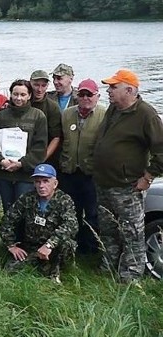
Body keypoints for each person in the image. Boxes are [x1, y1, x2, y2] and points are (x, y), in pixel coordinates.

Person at [93, 69, 163, 283]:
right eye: (109, 87)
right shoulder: (113, 109)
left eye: (114, 87)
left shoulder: (146, 114)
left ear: (130, 90)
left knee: (132, 233)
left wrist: (148, 177)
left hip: (127, 187)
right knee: (108, 230)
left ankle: (130, 276)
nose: (109, 91)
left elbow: (161, 151)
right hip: (104, 183)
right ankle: (108, 266)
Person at [0, 164, 78, 283]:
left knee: (68, 244)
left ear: (55, 183)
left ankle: (56, 269)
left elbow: (72, 225)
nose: (41, 186)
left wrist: (49, 245)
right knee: (9, 271)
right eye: (38, 182)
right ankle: (44, 266)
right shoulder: (27, 198)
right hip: (31, 246)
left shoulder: (64, 200)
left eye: (46, 181)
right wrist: (11, 245)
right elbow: (7, 220)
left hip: (54, 248)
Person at [0, 79, 48, 212]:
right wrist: (1, 161)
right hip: (3, 173)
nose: (18, 98)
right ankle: (8, 233)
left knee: (24, 210)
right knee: (8, 209)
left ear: (29, 95)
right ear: (11, 95)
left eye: (23, 95)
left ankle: (24, 234)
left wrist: (21, 164)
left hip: (25, 175)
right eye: (15, 94)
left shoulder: (38, 116)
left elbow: (40, 147)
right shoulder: (2, 116)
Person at [59, 79, 105, 254]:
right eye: (82, 94)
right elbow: (61, 140)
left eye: (89, 95)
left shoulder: (105, 114)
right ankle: (74, 247)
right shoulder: (67, 114)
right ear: (77, 95)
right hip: (69, 173)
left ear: (97, 96)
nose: (85, 98)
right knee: (72, 212)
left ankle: (92, 248)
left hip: (91, 174)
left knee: (93, 213)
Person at [29, 70, 62, 164]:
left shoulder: (52, 107)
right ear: (30, 83)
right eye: (36, 85)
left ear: (47, 86)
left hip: (43, 156)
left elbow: (56, 137)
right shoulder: (22, 101)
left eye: (43, 85)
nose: (39, 89)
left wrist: (42, 159)